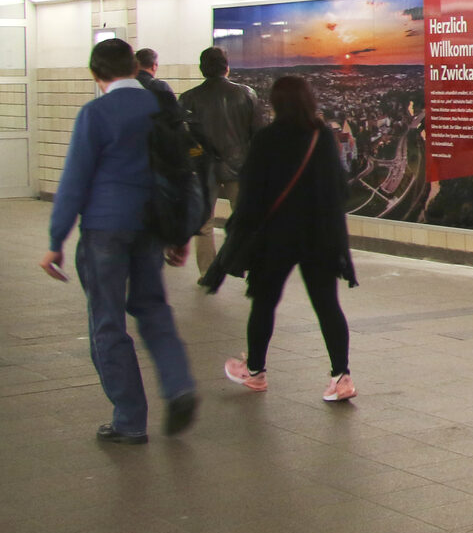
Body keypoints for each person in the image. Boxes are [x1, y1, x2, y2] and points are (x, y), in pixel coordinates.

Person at [41, 37, 198, 443]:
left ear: (96, 74)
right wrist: (180, 234)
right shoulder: (159, 107)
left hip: (105, 229)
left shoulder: (96, 113)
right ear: (134, 67)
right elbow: (179, 171)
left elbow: (75, 180)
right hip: (151, 225)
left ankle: (129, 420)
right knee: (153, 309)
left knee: (107, 320)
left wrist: (56, 239)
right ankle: (179, 385)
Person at [214, 75, 358, 401]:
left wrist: (240, 234)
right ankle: (341, 377)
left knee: (264, 303)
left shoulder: (266, 139)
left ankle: (255, 372)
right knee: (327, 305)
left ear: (276, 103)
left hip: (275, 237)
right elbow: (339, 188)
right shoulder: (322, 137)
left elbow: (252, 195)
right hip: (318, 236)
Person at [179, 46, 266, 280]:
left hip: (204, 169)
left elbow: (183, 139)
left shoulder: (188, 98)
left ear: (202, 68)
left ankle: (207, 272)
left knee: (204, 223)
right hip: (240, 167)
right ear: (227, 67)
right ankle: (246, 264)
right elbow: (259, 134)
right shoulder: (246, 94)